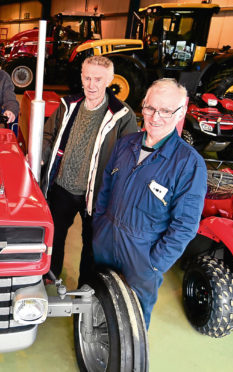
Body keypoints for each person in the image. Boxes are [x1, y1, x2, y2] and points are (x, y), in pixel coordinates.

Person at [92, 78, 208, 328]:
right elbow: (104, 190)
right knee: (99, 299)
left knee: (132, 321)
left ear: (181, 113)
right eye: (150, 108)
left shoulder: (188, 164)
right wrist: (99, 227)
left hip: (143, 254)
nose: (155, 117)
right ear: (142, 106)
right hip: (106, 240)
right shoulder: (125, 144)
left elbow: (185, 225)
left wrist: (154, 264)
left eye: (166, 111)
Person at [40, 55, 138, 283]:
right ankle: (50, 274)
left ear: (110, 80)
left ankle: (86, 288)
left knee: (91, 244)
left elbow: (129, 158)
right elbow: (47, 135)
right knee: (53, 236)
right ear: (81, 77)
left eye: (98, 79)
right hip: (61, 187)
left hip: (95, 196)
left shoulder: (122, 115)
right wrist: (42, 156)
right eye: (87, 78)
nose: (92, 85)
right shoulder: (68, 105)